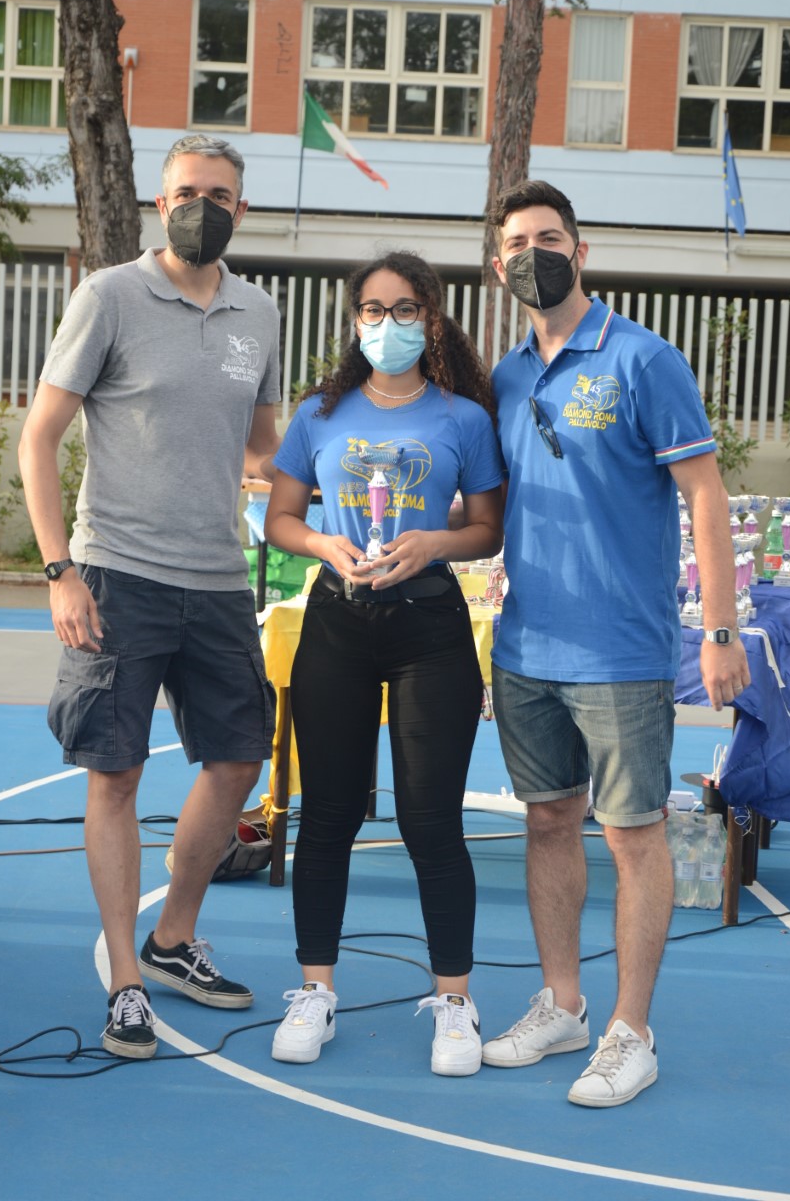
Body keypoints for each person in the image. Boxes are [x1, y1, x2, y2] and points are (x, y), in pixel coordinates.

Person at [481, 180, 751, 1107]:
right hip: (525, 649)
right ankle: (563, 1004)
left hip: (622, 654)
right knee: (548, 822)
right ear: (498, 265)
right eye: (517, 244)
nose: (534, 255)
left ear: (580, 251)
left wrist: (717, 628)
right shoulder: (507, 375)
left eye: (549, 239)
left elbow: (705, 496)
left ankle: (631, 1032)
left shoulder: (643, 358)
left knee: (632, 836)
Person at [18, 134, 281, 1059]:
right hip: (116, 576)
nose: (201, 207)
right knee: (116, 773)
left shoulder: (259, 312)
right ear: (159, 204)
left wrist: (349, 462)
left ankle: (174, 937)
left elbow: (262, 448)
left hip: (217, 578)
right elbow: (38, 437)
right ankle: (126, 980)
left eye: (218, 194)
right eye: (185, 192)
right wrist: (61, 570)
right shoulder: (109, 296)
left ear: (241, 209)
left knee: (239, 759)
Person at [263, 251, 504, 1076]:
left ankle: (455, 1002)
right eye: (372, 309)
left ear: (430, 319)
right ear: (354, 318)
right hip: (336, 622)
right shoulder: (318, 413)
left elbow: (487, 528)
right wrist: (321, 545)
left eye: (404, 310)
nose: (387, 323)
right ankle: (314, 991)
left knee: (429, 823)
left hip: (430, 626)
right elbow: (281, 518)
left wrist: (434, 542)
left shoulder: (463, 418)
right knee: (327, 815)